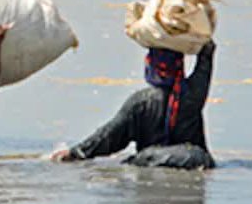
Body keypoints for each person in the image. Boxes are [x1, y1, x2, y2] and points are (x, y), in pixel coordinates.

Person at [51, 42, 216, 169]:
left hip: (153, 160)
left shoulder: (141, 102)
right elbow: (205, 63)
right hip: (195, 160)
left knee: (136, 162)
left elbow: (110, 135)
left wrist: (75, 153)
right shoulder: (192, 94)